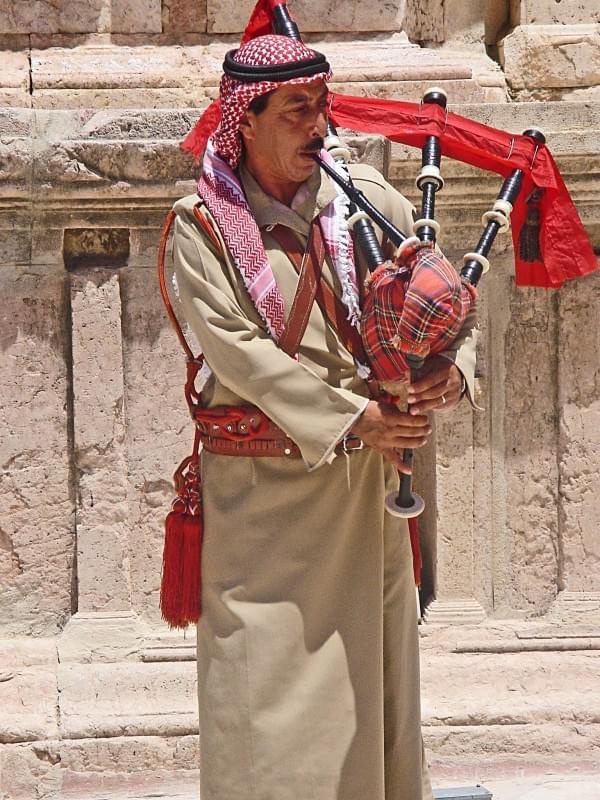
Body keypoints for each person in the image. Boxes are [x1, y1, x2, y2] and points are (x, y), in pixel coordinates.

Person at [171, 34, 477, 800]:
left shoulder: (371, 200)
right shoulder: (199, 225)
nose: (318, 126)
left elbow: (453, 301)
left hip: (366, 504)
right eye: (297, 110)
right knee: (265, 719)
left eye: (323, 106)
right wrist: (353, 419)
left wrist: (450, 372)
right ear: (245, 120)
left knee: (369, 719)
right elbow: (241, 354)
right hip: (262, 514)